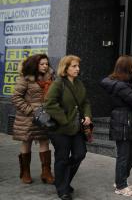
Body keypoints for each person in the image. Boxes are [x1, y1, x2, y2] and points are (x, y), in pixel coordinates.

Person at [44, 55, 92, 200]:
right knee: (62, 158)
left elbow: (86, 102)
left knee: (80, 154)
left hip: (77, 128)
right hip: (61, 129)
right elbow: (49, 104)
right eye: (74, 66)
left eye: (78, 66)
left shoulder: (79, 83)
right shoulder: (58, 83)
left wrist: (88, 116)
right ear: (65, 68)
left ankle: (62, 180)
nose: (77, 69)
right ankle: (62, 189)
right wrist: (64, 119)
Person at [100, 55, 132, 197]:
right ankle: (120, 185)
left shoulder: (122, 83)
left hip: (127, 120)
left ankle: (121, 180)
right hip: (123, 120)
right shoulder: (120, 85)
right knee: (124, 155)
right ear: (127, 68)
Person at [11, 54, 55, 184]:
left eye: (46, 64)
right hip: (27, 118)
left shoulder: (50, 77)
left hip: (44, 117)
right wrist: (30, 110)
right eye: (42, 64)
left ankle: (46, 173)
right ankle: (25, 172)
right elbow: (16, 98)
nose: (45, 66)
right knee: (26, 142)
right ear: (35, 64)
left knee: (44, 142)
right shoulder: (25, 78)